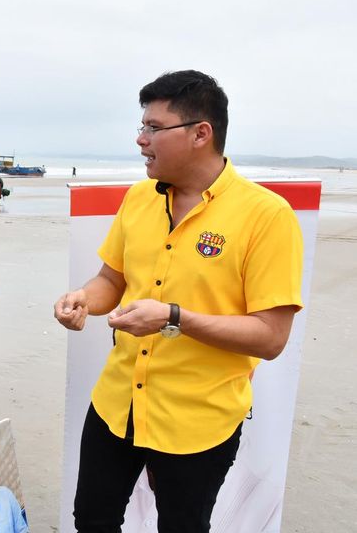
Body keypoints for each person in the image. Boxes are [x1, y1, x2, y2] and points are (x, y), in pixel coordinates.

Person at [53, 70, 304, 533]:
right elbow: (111, 278)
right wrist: (84, 298)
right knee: (91, 519)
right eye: (142, 126)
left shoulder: (267, 216)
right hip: (117, 403)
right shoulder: (138, 199)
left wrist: (173, 317)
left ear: (200, 133)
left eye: (153, 127)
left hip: (198, 421)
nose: (140, 139)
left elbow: (271, 337)